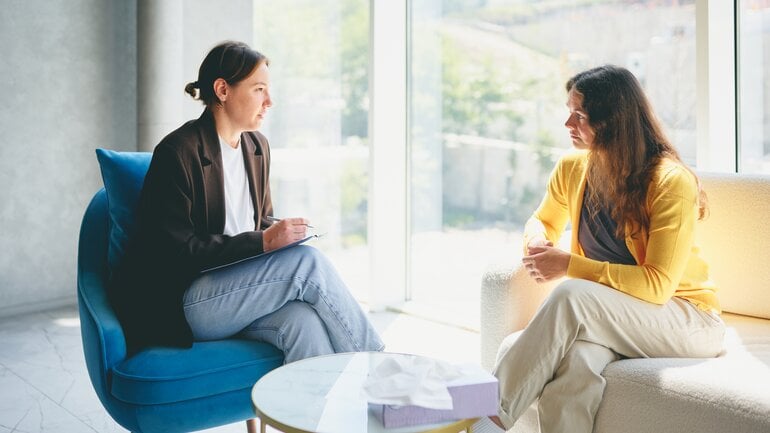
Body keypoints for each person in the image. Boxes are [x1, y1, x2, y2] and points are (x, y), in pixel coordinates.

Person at [473, 65, 725, 433]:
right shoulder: (573, 167)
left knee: (571, 294)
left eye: (580, 115)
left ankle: (485, 419)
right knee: (576, 362)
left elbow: (657, 286)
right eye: (569, 110)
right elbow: (542, 219)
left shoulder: (670, 182)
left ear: (613, 122)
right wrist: (538, 241)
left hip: (688, 319)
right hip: (615, 314)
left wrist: (569, 265)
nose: (567, 123)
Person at [110, 41, 383, 362]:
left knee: (303, 323)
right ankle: (378, 368)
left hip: (242, 291)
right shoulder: (177, 152)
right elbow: (174, 251)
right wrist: (263, 242)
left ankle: (318, 412)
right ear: (222, 90)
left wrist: (282, 233)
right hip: (186, 300)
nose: (269, 101)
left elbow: (258, 221)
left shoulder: (257, 146)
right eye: (258, 89)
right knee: (308, 264)